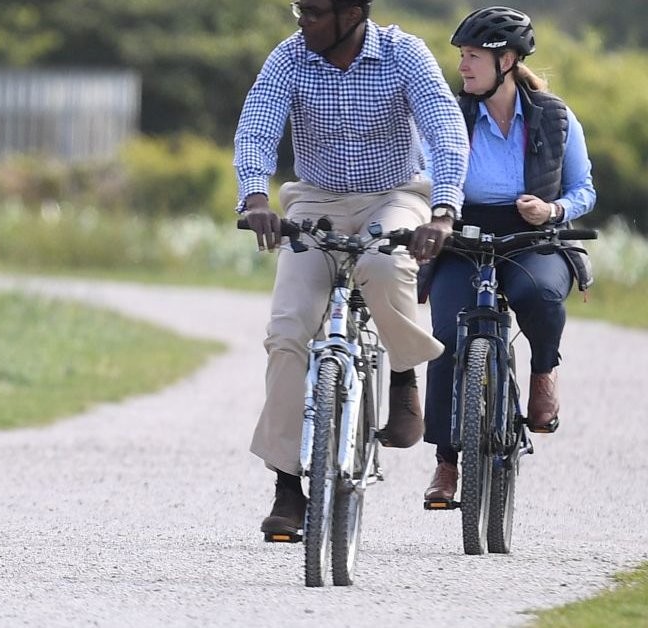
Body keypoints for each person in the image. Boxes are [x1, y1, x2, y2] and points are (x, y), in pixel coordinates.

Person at [234, 0, 469, 538]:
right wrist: (254, 197)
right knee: (289, 330)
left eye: (314, 11)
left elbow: (445, 131)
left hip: (395, 195)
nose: (303, 20)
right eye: (300, 9)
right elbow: (257, 127)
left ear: (354, 14)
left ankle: (404, 375)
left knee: (383, 267)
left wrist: (444, 211)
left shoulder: (403, 53)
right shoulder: (290, 57)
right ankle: (287, 487)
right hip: (313, 199)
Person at [420, 6, 596, 504]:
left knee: (539, 294)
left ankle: (543, 372)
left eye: (473, 56)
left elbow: (584, 188)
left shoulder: (554, 116)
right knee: (447, 338)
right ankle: (447, 463)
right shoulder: (451, 115)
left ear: (507, 60)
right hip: (463, 235)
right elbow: (426, 172)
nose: (463, 66)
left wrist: (553, 208)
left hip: (532, 237)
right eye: (462, 56)